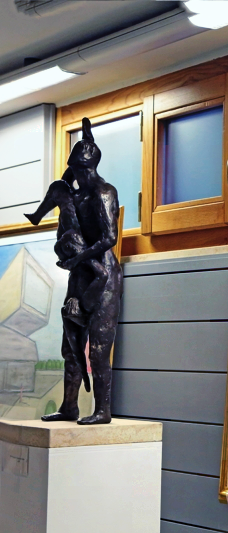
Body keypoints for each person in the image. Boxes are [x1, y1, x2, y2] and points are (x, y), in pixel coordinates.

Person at [38, 118, 122, 425]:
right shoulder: (75, 196)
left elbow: (109, 238)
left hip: (104, 276)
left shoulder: (104, 192)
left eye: (79, 169)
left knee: (98, 349)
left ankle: (102, 410)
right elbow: (60, 189)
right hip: (80, 273)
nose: (74, 175)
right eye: (72, 169)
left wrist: (77, 260)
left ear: (89, 168)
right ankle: (69, 406)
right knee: (71, 347)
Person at [25, 174, 109, 326]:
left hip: (71, 246)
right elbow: (102, 274)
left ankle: (37, 217)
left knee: (59, 187)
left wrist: (73, 260)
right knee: (60, 189)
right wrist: (76, 259)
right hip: (74, 246)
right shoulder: (84, 300)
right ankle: (37, 217)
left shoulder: (73, 300)